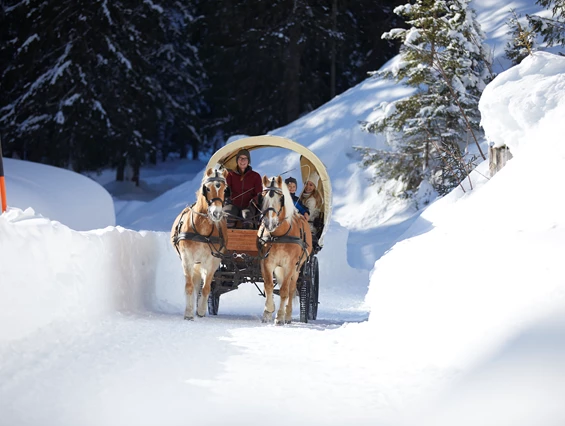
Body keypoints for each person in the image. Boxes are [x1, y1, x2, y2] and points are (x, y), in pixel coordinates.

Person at [224, 148, 263, 228]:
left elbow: (259, 193)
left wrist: (254, 200)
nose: (242, 161)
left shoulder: (256, 176)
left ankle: (247, 239)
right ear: (237, 160)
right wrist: (226, 196)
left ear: (248, 161)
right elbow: (225, 189)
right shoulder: (230, 175)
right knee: (227, 214)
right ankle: (227, 238)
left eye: (245, 158)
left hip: (248, 206)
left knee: (247, 217)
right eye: (240, 158)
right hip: (233, 205)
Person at [299, 171, 323, 235]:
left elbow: (307, 216)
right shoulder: (303, 196)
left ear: (314, 187)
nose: (308, 186)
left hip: (309, 228)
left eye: (311, 185)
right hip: (301, 224)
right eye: (306, 183)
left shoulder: (312, 200)